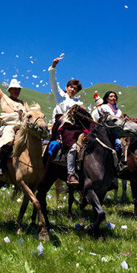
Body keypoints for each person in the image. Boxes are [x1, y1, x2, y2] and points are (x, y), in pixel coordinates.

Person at [48, 56, 84, 185]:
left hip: (75, 127)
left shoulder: (79, 102)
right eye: (71, 87)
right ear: (67, 87)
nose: (72, 90)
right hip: (62, 127)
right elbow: (53, 82)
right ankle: (70, 174)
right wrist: (53, 67)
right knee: (73, 147)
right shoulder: (60, 96)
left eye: (75, 89)